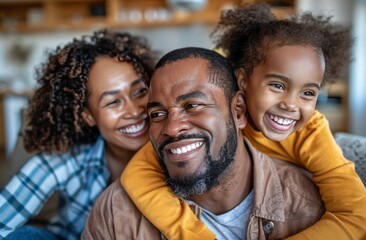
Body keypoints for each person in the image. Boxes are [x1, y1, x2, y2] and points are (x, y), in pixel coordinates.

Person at [121, 3, 366, 240]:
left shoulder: (311, 132)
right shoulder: (220, 121)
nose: (291, 104)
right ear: (243, 81)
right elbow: (138, 174)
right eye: (277, 86)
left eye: (308, 93)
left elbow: (356, 214)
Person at [82, 47, 325, 240]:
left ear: (238, 111)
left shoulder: (309, 208)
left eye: (192, 106)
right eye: (157, 114)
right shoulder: (115, 215)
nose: (172, 128)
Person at [0, 29, 157, 240]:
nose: (135, 111)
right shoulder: (70, 160)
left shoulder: (176, 150)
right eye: (113, 102)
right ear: (88, 116)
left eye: (139, 92)